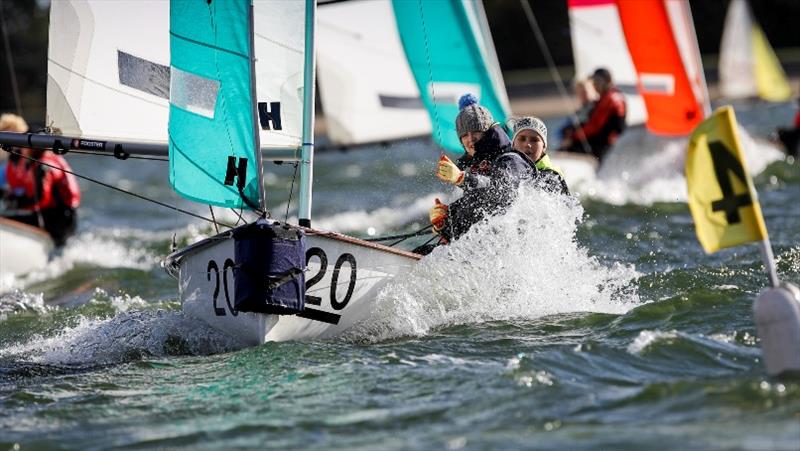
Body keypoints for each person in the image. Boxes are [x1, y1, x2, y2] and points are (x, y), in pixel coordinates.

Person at [425, 95, 538, 247]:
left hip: (509, 247)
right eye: (464, 135)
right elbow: (477, 206)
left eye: (476, 131)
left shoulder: (511, 160)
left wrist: (462, 179)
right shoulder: (473, 165)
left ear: (487, 132)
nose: (470, 139)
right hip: (481, 247)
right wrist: (444, 222)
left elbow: (502, 192)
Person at [2, 113, 81, 246]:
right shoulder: (39, 161)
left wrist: (17, 202)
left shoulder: (44, 167)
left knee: (5, 219)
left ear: (32, 147)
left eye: (23, 145)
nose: (21, 149)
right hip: (56, 216)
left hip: (59, 220)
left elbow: (41, 200)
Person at [560, 68, 626, 162]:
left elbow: (595, 125)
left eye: (597, 81)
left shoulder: (611, 99)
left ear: (607, 81)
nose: (595, 84)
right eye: (594, 81)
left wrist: (574, 137)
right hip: (603, 142)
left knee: (567, 150)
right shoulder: (609, 97)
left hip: (604, 145)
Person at [510, 116, 569, 195]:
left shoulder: (551, 177)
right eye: (522, 139)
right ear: (513, 144)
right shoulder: (507, 168)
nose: (527, 144)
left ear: (544, 147)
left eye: (534, 140)